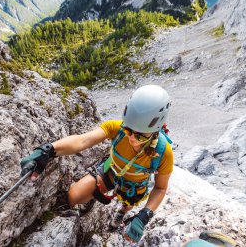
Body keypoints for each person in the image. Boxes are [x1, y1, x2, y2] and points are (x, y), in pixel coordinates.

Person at [20, 84, 174, 243]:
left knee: (127, 203)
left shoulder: (164, 152)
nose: (132, 138)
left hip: (134, 186)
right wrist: (48, 150)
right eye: (128, 130)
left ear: (155, 129)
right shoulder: (116, 128)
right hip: (112, 172)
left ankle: (121, 211)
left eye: (140, 136)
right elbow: (81, 141)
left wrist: (144, 215)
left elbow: (160, 188)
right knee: (73, 196)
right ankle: (96, 200)